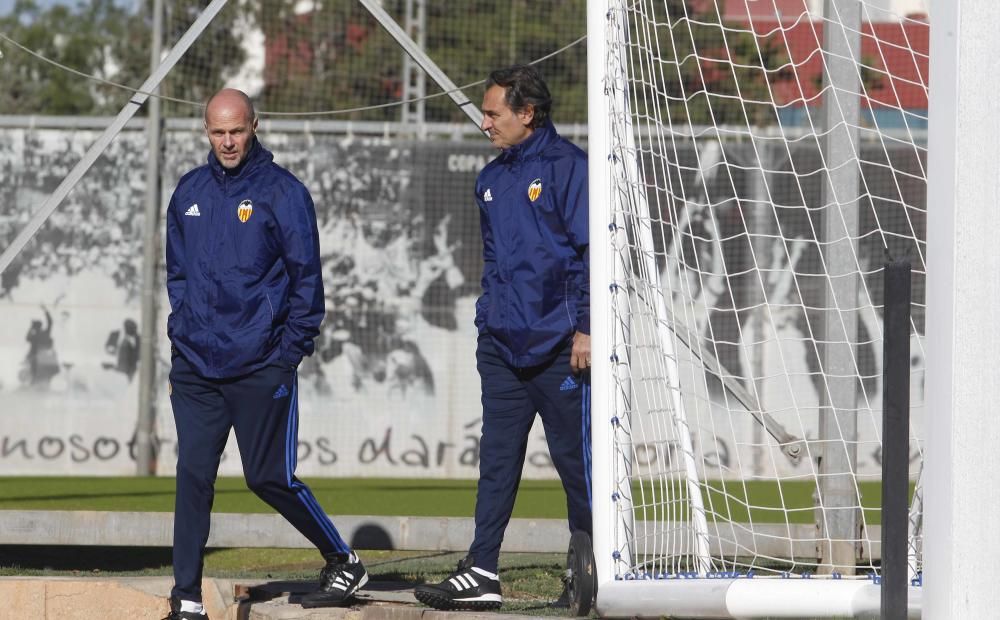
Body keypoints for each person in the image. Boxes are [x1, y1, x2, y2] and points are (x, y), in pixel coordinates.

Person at [163, 89, 365, 620]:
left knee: (267, 477)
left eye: (237, 130)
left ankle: (343, 560)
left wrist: (287, 354)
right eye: (217, 132)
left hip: (261, 364)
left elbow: (307, 282)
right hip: (196, 368)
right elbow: (178, 276)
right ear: (205, 132)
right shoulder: (188, 191)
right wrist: (180, 341)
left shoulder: (284, 193)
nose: (227, 142)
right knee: (193, 474)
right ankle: (185, 599)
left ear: (255, 125)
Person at [414, 65, 592, 611]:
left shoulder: (570, 169)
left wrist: (586, 328)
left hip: (562, 349)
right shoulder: (489, 179)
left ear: (526, 113)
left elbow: (590, 255)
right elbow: (494, 262)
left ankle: (590, 570)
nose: (484, 121)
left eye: (493, 112)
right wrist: (487, 321)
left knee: (577, 465)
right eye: (484, 111)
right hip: (502, 348)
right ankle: (482, 571)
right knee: (496, 461)